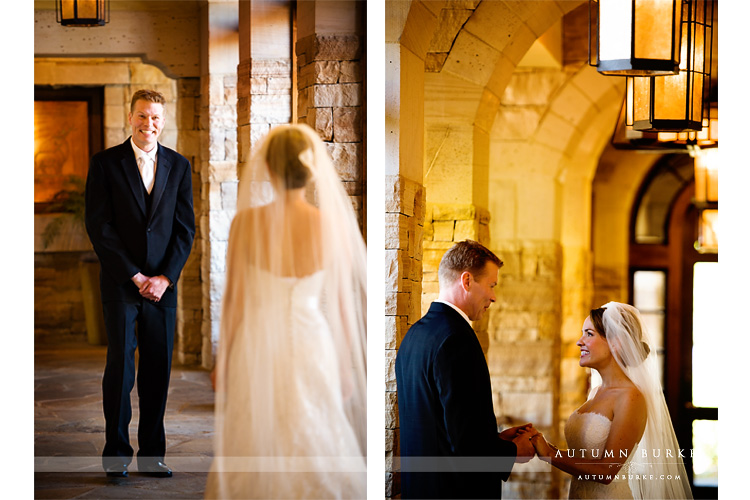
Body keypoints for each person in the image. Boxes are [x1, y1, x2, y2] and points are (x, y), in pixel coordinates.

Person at [204, 124, 367, 499]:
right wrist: (343, 366)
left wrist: (223, 359)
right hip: (313, 341)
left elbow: (234, 300)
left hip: (258, 343)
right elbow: (342, 304)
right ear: (311, 170)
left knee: (258, 429)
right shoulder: (330, 225)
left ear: (270, 169)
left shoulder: (245, 223)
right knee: (316, 428)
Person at [85, 89, 196, 478]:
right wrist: (134, 276)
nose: (149, 124)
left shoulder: (179, 166)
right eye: (142, 116)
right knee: (120, 369)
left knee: (157, 371)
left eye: (156, 118)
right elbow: (99, 227)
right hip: (121, 284)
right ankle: (116, 456)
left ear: (162, 121)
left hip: (163, 288)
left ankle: (153, 455)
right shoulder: (104, 163)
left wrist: (165, 277)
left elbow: (185, 230)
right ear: (130, 117)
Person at [395, 240, 538, 499]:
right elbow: (466, 444)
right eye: (491, 285)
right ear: (467, 280)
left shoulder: (415, 335)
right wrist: (514, 452)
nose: (494, 296)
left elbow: (443, 425)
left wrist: (496, 440)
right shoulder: (456, 339)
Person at [529, 302, 693, 499]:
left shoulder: (631, 396)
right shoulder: (596, 392)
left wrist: (550, 454)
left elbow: (607, 470)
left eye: (589, 334)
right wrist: (545, 445)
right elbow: (585, 456)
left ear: (616, 342)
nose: (580, 341)